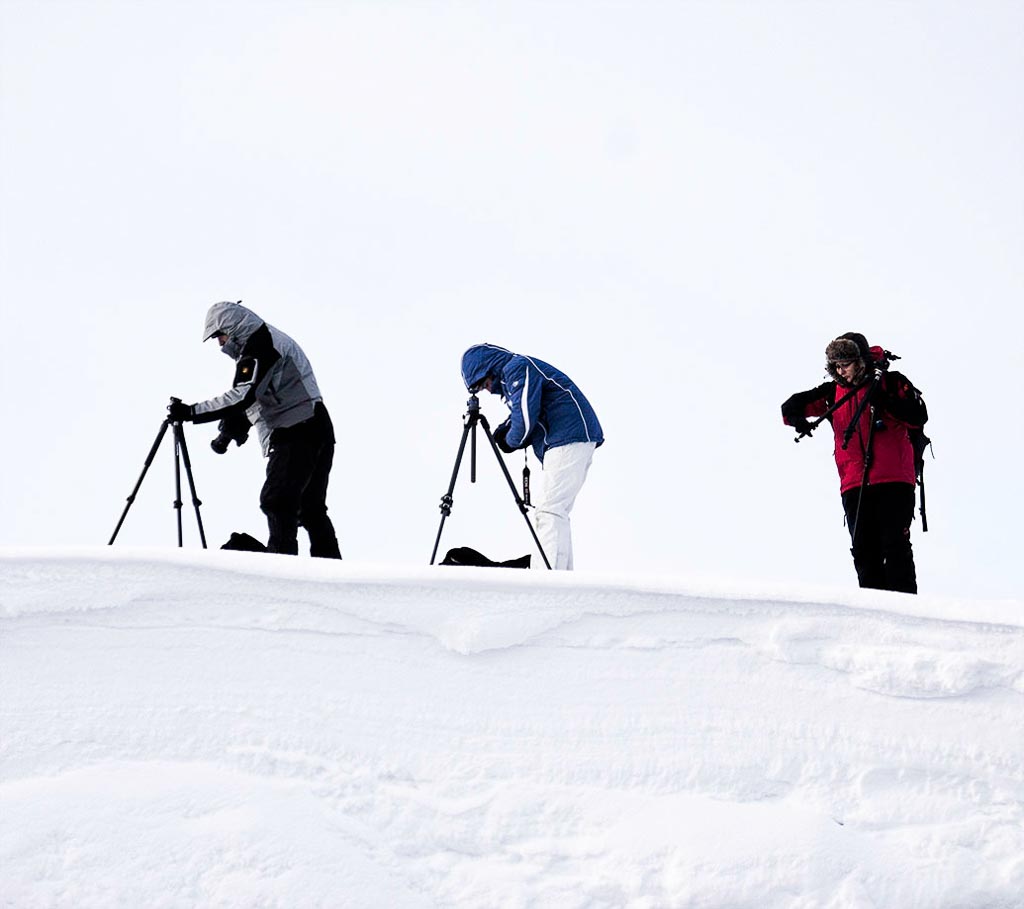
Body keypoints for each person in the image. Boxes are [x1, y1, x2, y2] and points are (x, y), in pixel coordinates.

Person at [168, 301, 342, 559]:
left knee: (277, 501)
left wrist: (190, 412)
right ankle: (332, 570)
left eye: (220, 336)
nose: (220, 344)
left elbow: (243, 396)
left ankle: (282, 571)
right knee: (310, 508)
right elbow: (257, 397)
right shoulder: (266, 342)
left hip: (297, 428)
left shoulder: (260, 345)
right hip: (316, 426)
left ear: (233, 327)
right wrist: (227, 434)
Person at [781, 332, 927, 593]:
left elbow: (918, 416)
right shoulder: (833, 393)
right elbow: (790, 406)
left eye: (845, 364)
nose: (840, 370)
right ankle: (873, 613)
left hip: (894, 480)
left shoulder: (890, 383)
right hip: (854, 484)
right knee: (863, 551)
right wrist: (797, 420)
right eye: (835, 365)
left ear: (860, 361)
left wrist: (884, 402)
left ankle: (906, 612)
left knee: (895, 546)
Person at [460, 343, 604, 570]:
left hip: (567, 437)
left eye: (484, 383)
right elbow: (525, 410)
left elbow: (525, 419)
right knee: (556, 511)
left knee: (549, 509)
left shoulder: (517, 367)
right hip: (573, 437)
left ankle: (545, 577)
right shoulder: (515, 374)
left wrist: (509, 440)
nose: (486, 390)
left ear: (490, 369)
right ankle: (561, 575)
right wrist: (506, 429)